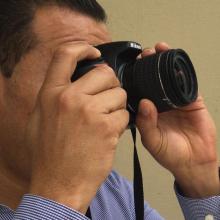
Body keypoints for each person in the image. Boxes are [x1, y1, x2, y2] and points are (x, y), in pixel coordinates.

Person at [0, 1, 219, 219]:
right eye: (76, 70)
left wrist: (200, 178)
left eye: (106, 71)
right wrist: (63, 194)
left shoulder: (112, 193)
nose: (103, 92)